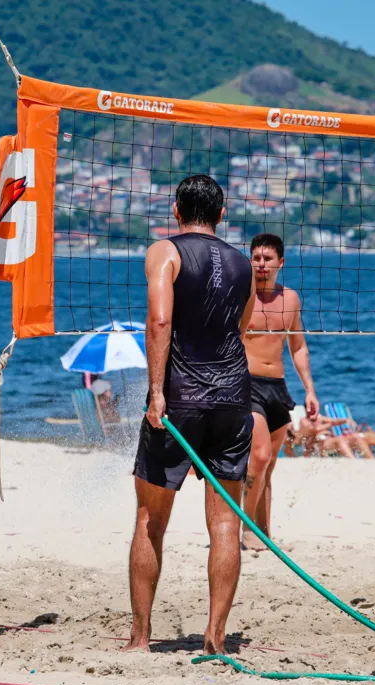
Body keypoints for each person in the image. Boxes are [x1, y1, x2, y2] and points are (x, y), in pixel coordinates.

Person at [125, 174, 255, 655]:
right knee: (225, 525)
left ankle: (140, 637)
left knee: (149, 520)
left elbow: (160, 320)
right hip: (233, 399)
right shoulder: (244, 264)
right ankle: (216, 636)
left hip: (180, 399)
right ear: (222, 214)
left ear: (176, 211)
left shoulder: (166, 252)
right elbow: (240, 330)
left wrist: (156, 390)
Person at [240, 233, 319, 551]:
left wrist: (310, 391)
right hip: (245, 385)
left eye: (267, 258)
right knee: (258, 457)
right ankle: (246, 530)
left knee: (269, 465)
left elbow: (298, 348)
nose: (261, 264)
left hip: (277, 386)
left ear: (280, 262)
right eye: (256, 258)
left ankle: (264, 534)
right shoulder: (241, 296)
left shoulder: (291, 299)